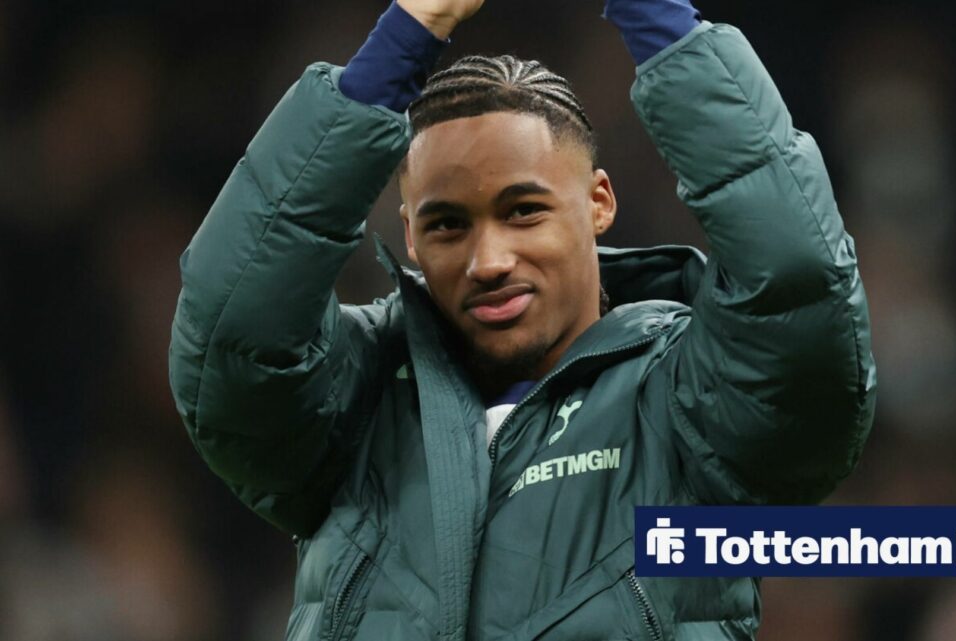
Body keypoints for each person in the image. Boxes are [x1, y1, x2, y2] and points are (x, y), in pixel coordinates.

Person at [168, 0, 876, 638]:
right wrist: (406, 33)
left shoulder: (690, 398)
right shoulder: (355, 400)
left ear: (599, 201)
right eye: (447, 225)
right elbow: (234, 332)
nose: (489, 259)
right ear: (410, 238)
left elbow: (798, 280)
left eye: (523, 210)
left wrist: (651, 10)